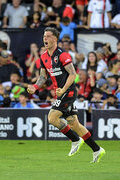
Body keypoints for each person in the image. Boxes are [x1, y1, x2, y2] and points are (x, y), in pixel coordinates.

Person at [27, 27, 105, 163]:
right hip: (60, 93)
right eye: (44, 36)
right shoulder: (43, 57)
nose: (45, 39)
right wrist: (35, 86)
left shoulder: (62, 54)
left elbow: (73, 74)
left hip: (67, 92)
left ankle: (75, 140)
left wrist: (63, 89)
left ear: (55, 38)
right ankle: (97, 149)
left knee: (52, 118)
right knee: (74, 124)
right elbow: (42, 77)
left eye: (48, 36)